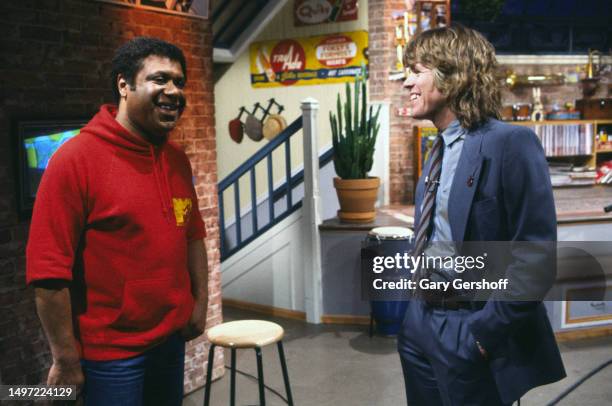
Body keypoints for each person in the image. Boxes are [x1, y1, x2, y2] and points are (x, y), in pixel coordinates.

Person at [26, 37, 209, 406]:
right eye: (160, 79)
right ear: (124, 85)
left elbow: (192, 235)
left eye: (179, 82)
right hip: (110, 356)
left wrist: (200, 302)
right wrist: (65, 358)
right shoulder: (75, 160)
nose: (173, 91)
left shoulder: (175, 158)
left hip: (169, 342)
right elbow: (48, 274)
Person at [398, 25, 566, 405]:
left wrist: (482, 335)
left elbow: (535, 258)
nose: (407, 82)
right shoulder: (436, 150)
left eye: (417, 70)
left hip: (469, 329)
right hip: (419, 323)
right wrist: (414, 316)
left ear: (453, 75)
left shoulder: (509, 143)